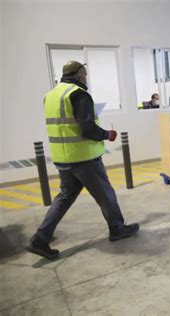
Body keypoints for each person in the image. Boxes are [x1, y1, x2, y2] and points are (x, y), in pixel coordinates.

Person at [27, 60, 140, 259]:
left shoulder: (51, 96)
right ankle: (117, 228)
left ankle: (40, 239)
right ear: (79, 74)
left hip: (63, 158)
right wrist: (107, 134)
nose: (86, 78)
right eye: (85, 74)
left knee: (64, 198)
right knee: (105, 194)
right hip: (83, 159)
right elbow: (87, 128)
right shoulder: (78, 94)